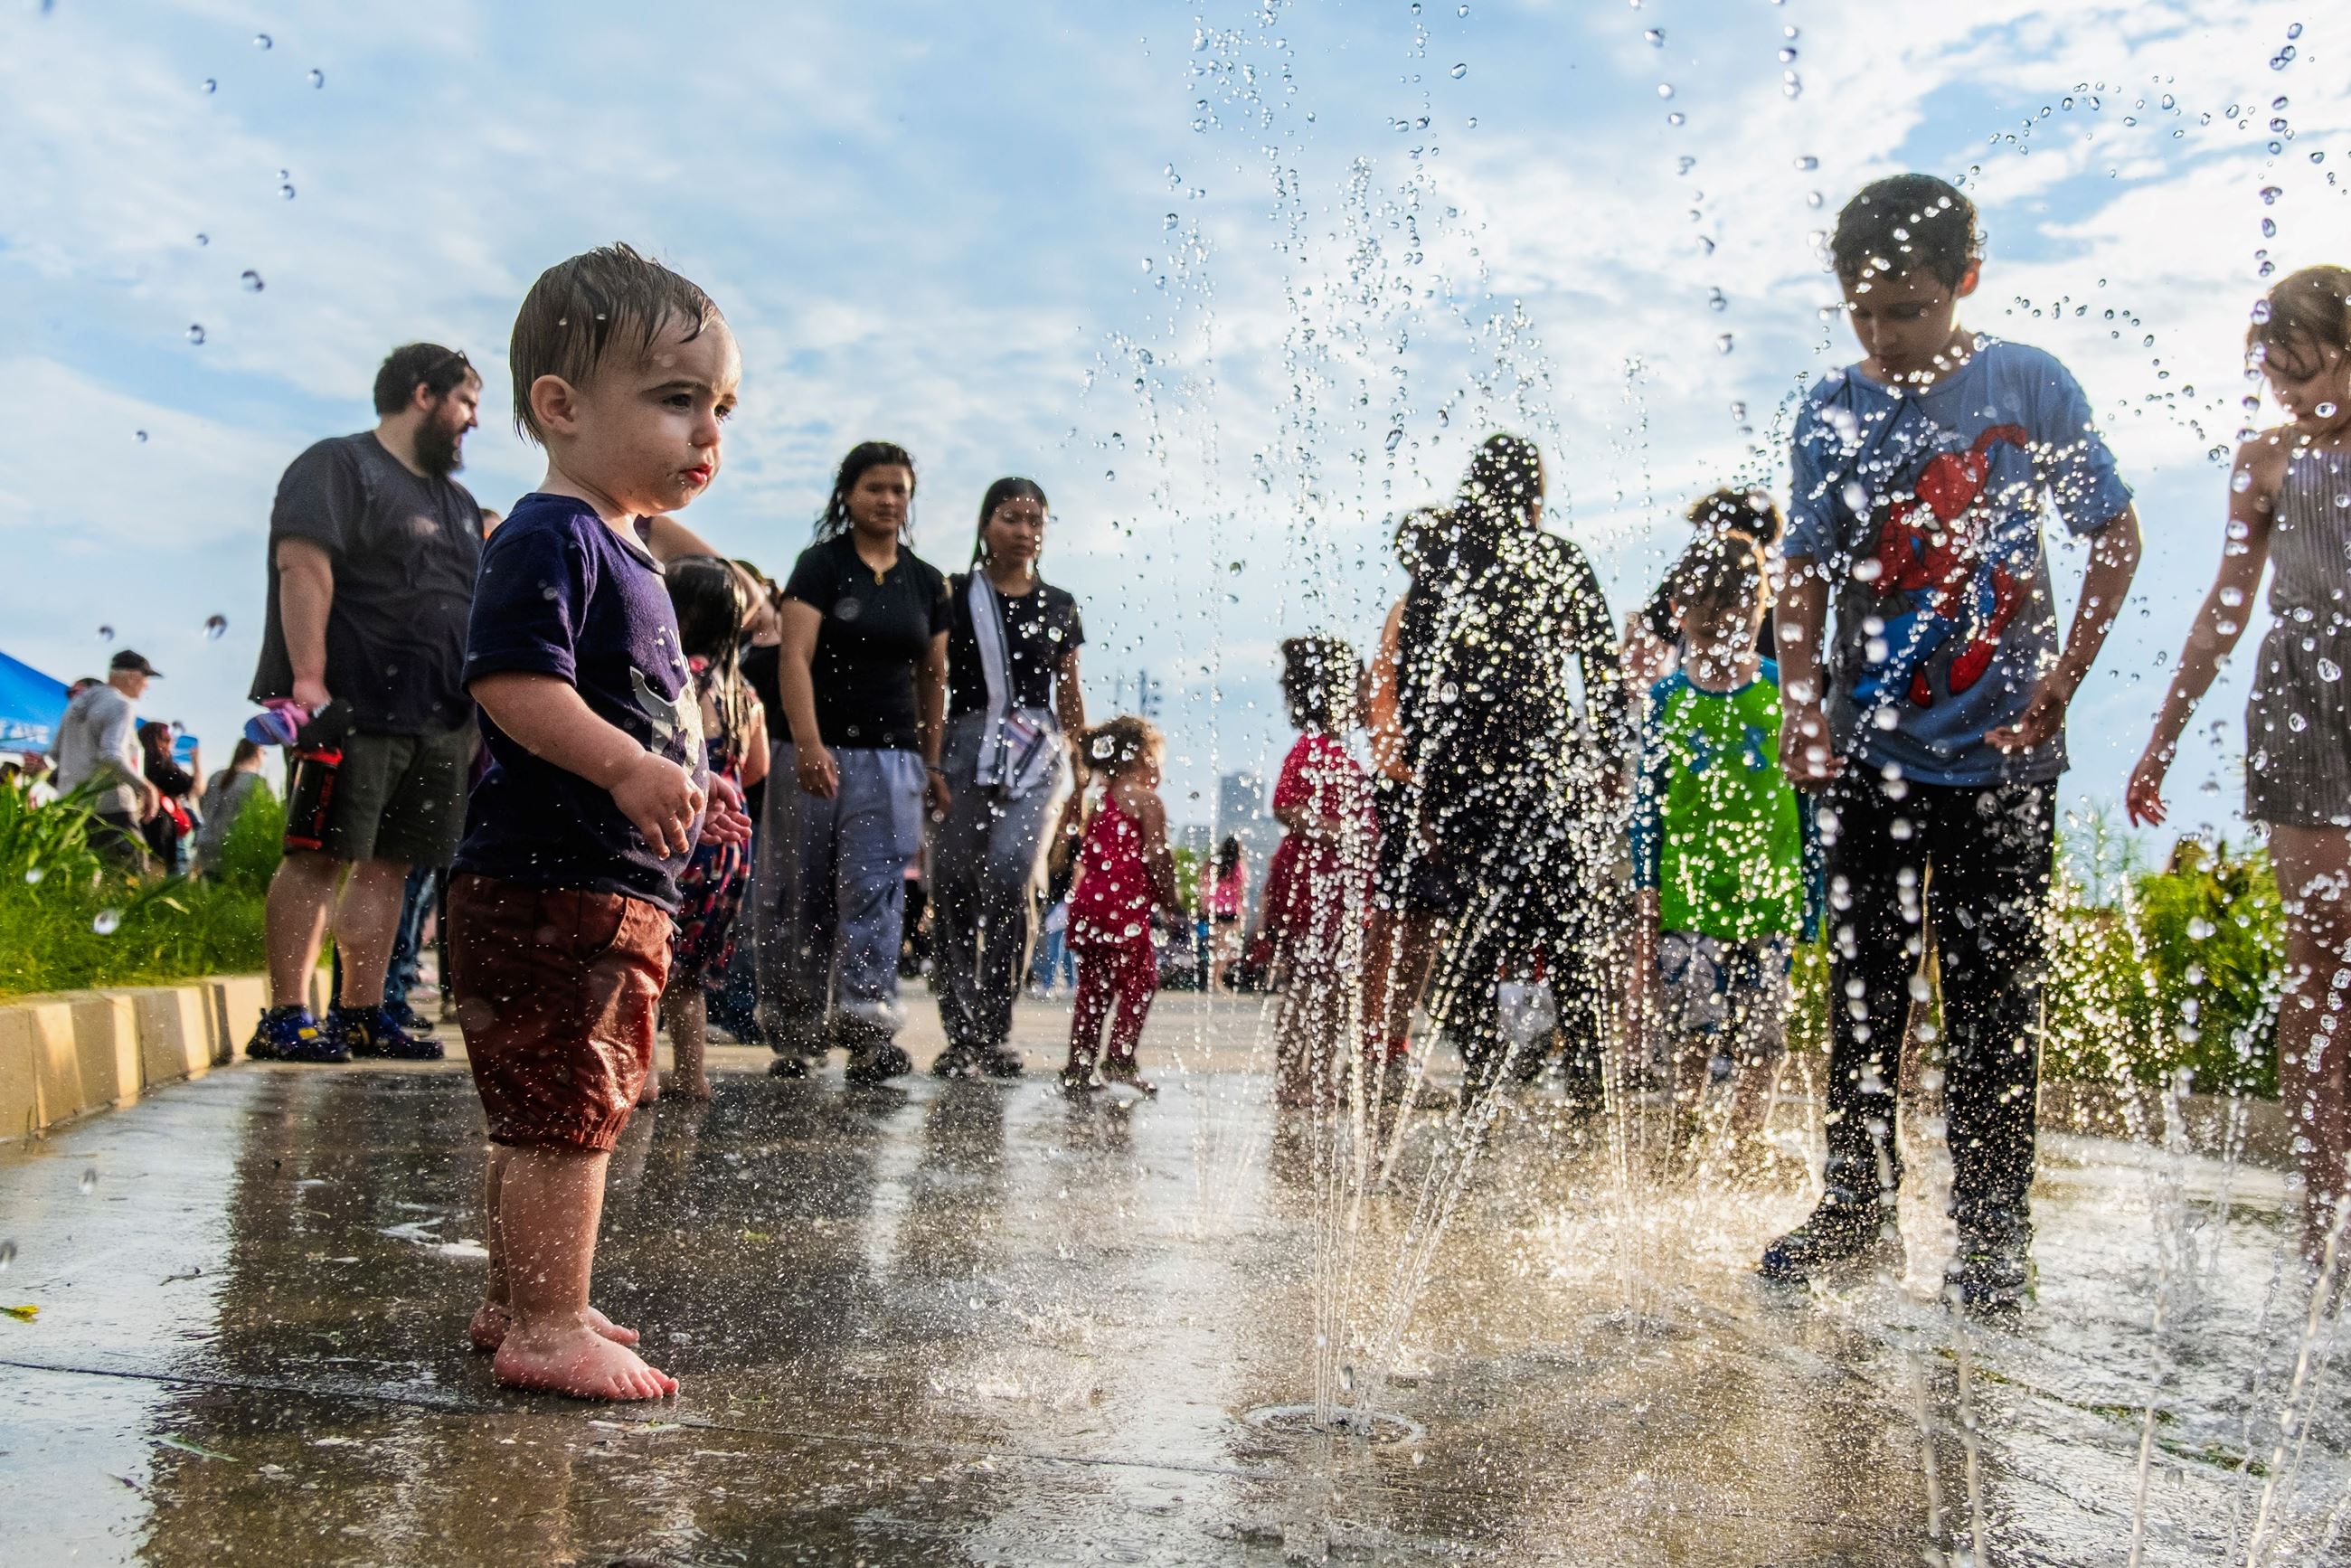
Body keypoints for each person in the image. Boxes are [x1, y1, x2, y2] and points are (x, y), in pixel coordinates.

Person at [1762, 174, 2142, 1311]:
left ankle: (1989, 1232)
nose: (1883, 336)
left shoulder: (2025, 386)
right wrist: (1797, 703)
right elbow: (1800, 568)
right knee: (1864, 994)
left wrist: (2062, 686)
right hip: (1868, 753)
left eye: (1907, 310)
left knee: (1992, 1004)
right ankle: (1853, 1206)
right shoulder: (1829, 407)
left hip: (2003, 758)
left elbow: (2111, 535)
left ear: (1963, 283)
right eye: (1862, 313)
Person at [447, 242, 750, 1402]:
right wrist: (629, 768)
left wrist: (687, 778)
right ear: (561, 408)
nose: (705, 435)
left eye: (718, 408)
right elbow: (512, 685)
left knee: (546, 1106)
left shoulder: (618, 545)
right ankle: (547, 1323)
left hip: (587, 879)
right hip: (557, 879)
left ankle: (516, 1295)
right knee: (570, 1111)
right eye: (676, 401)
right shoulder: (550, 535)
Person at [2129, 264, 2351, 1264]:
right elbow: (2224, 607)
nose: (2293, 399)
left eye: (2308, 375)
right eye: (2277, 380)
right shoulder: (2263, 462)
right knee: (2317, 957)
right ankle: (2320, 1206)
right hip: (2301, 706)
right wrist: (2160, 737)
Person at [246, 341, 486, 1064]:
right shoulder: (339, 465)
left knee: (392, 866)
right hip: (350, 708)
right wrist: (309, 678)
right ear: (424, 393)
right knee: (319, 857)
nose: (473, 420)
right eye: (467, 402)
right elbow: (303, 563)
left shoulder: (457, 502)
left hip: (438, 715)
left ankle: (361, 1012)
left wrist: (474, 717)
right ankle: (287, 1014)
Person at [1405, 437, 1629, 1095]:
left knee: (1471, 932)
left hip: (1463, 773)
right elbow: (1600, 663)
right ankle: (1588, 1083)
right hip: (1547, 764)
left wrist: (1425, 777)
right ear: (1536, 492)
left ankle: (1485, 1061)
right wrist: (1611, 753)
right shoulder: (1559, 558)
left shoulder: (1443, 565)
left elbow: (1421, 679)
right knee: (1567, 931)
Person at [760, 441, 951, 1084]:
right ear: (848, 494)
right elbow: (794, 658)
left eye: (899, 489)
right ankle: (795, 1032)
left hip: (893, 758)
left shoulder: (927, 582)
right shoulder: (820, 566)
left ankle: (867, 1029)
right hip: (811, 752)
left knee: (875, 892)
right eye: (876, 488)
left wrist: (933, 765)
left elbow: (934, 678)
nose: (889, 501)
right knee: (800, 890)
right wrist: (809, 743)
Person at [1632, 534, 1813, 1156]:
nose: (1718, 635)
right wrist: (1646, 885)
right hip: (1690, 896)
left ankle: (1746, 1138)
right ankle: (1684, 1131)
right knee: (1691, 1028)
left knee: (1763, 1035)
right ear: (1682, 612)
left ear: (1762, 607)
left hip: (1769, 892)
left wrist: (1812, 888)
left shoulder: (1780, 689)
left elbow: (1808, 799)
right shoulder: (1668, 700)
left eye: (1733, 618)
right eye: (1706, 624)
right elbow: (1647, 801)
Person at [930, 477, 1089, 1079]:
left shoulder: (1061, 604)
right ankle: (959, 1032)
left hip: (1035, 751)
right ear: (985, 524)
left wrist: (1080, 768)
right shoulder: (954, 594)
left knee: (1011, 873)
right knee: (950, 882)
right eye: (1012, 519)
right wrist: (931, 758)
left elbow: (1069, 691)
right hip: (964, 741)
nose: (1025, 533)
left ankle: (994, 1028)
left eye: (1036, 521)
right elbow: (935, 677)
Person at [649, 555, 769, 1101]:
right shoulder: (744, 693)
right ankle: (692, 1075)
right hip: (731, 848)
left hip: (687, 829)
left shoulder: (678, 680)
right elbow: (758, 768)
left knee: (650, 954)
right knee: (690, 970)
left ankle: (643, 1076)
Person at [1262, 638, 1377, 1107]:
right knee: (1308, 985)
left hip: (1339, 889)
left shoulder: (1338, 753)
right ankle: (1293, 1078)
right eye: (1359, 686)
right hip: (1313, 886)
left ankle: (1320, 1077)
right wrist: (1347, 833)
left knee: (1329, 988)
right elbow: (1286, 807)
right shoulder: (1311, 749)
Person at [1061, 716, 1180, 1095]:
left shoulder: (1102, 799)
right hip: (1123, 910)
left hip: (1088, 906)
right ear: (1143, 757)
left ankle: (1079, 1066)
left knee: (1092, 990)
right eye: (1157, 758)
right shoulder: (1147, 801)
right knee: (1141, 982)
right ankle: (1120, 1060)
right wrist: (1169, 899)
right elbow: (1158, 856)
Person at [1623, 488, 1785, 694]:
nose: (1701, 544)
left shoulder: (1783, 598)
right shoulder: (1694, 578)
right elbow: (1649, 627)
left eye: (1705, 533)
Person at [51, 650, 163, 873]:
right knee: (131, 880)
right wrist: (144, 786)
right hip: (111, 810)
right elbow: (111, 754)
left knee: (79, 879)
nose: (147, 685)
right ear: (132, 676)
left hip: (72, 806)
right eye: (146, 678)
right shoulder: (121, 705)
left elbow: (56, 753)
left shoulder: (77, 703)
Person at [195, 738, 270, 876]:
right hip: (233, 847)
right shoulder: (257, 782)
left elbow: (203, 808)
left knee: (208, 893)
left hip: (206, 844)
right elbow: (264, 820)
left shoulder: (216, 776)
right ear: (258, 753)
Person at [137, 722, 200, 877]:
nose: (171, 744)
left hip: (137, 826)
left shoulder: (136, 761)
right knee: (156, 878)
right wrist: (196, 761)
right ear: (155, 741)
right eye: (166, 739)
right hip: (158, 831)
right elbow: (196, 788)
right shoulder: (162, 765)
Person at [1203, 836, 1248, 991]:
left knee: (1217, 945)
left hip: (1214, 908)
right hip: (1230, 910)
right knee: (1224, 946)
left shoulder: (1213, 863)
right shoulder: (1236, 866)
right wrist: (1243, 912)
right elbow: (1240, 890)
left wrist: (1205, 904)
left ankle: (1213, 979)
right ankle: (1216, 980)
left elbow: (1204, 883)